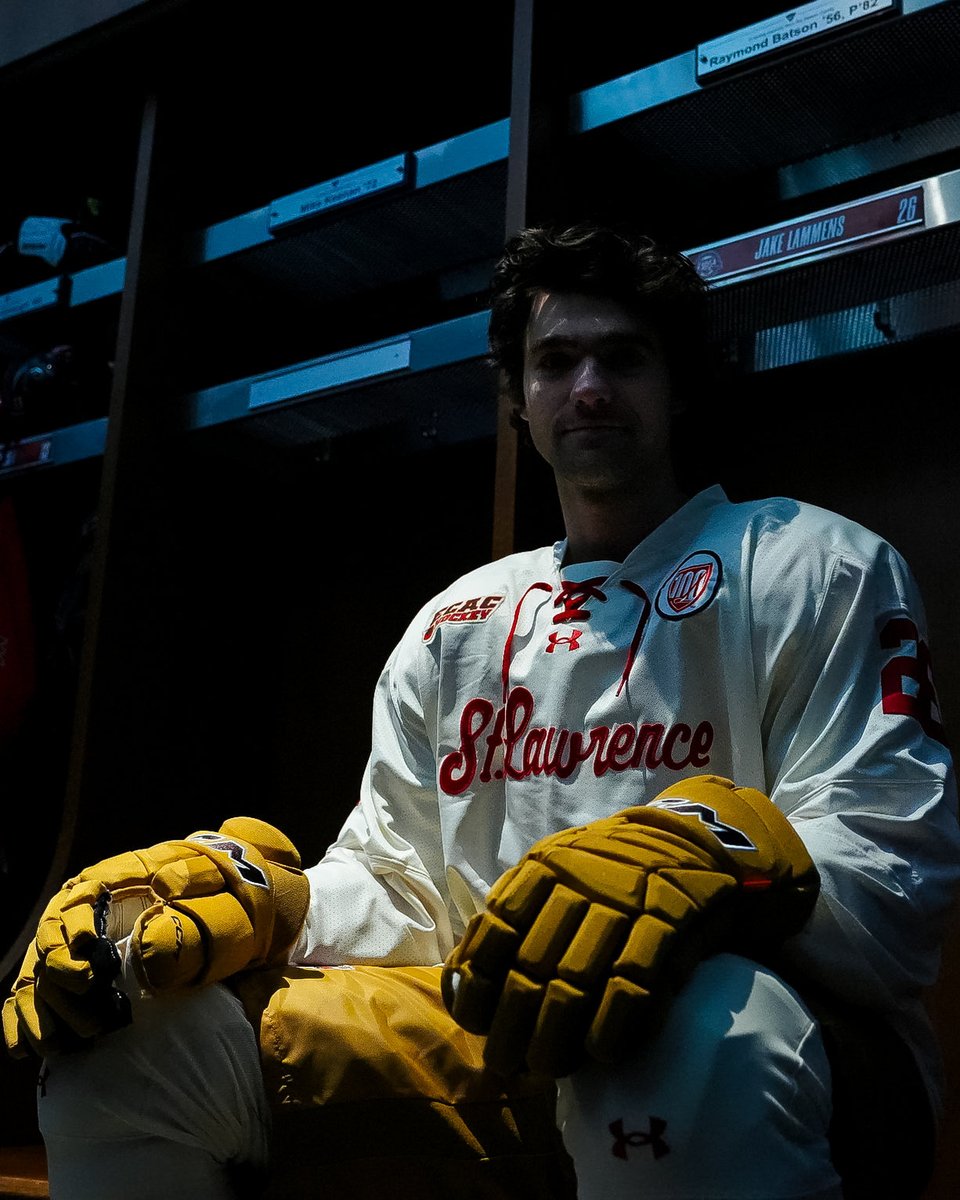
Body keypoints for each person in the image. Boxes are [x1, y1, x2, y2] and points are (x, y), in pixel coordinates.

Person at [5, 220, 960, 1200]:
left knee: (675, 1020)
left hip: (793, 1059)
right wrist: (273, 901)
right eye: (556, 361)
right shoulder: (457, 622)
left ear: (678, 385)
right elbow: (405, 887)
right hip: (500, 1043)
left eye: (624, 359)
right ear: (518, 398)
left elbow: (896, 854)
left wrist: (717, 858)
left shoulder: (814, 563)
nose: (589, 387)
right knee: (134, 1041)